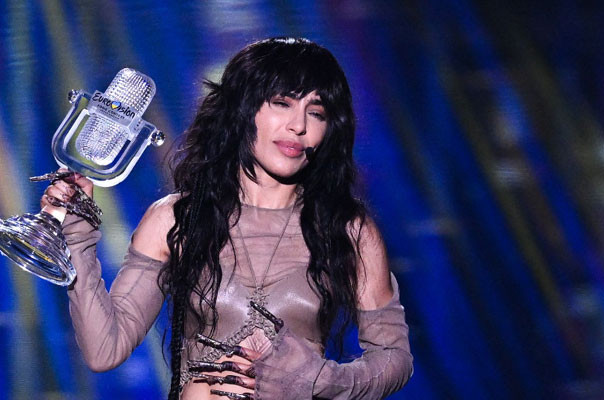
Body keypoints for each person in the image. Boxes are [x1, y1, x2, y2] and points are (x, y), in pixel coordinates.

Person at [42, 37, 413, 399]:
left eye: (316, 112)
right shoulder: (176, 219)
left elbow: (394, 359)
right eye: (281, 103)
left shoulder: (347, 230)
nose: (298, 126)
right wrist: (77, 234)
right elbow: (104, 350)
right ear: (242, 109)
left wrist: (321, 379)